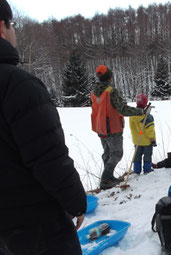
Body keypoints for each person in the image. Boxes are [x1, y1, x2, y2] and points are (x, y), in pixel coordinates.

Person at [0, 1, 87, 254]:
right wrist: (77, 203)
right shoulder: (17, 85)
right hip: (36, 229)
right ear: (2, 27)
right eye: (12, 24)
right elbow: (49, 159)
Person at [91, 65, 148, 189]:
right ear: (110, 78)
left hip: (100, 127)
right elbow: (122, 109)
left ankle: (109, 177)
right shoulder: (111, 91)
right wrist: (141, 112)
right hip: (112, 127)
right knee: (117, 154)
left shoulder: (94, 92)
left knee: (107, 153)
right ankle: (106, 180)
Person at [129, 93, 156, 174]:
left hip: (137, 140)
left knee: (137, 156)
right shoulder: (147, 117)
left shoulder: (132, 115)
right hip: (147, 142)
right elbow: (149, 131)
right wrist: (152, 140)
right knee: (147, 156)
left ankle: (137, 170)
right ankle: (147, 170)